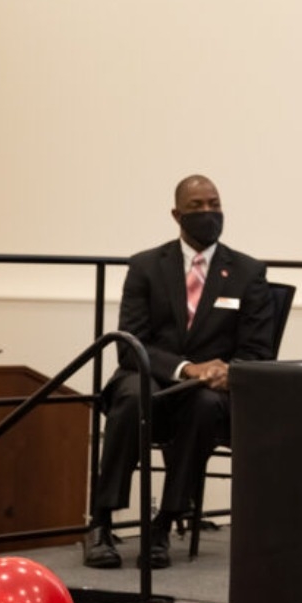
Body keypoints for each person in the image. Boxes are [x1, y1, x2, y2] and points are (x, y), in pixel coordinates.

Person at [84, 175, 276, 570]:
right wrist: (187, 368)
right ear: (177, 214)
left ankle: (164, 524)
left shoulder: (247, 272)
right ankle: (101, 522)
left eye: (214, 204)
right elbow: (128, 345)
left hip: (211, 391)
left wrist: (229, 371)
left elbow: (258, 352)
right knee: (133, 395)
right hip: (150, 375)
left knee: (204, 405)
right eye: (197, 207)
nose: (208, 213)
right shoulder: (146, 267)